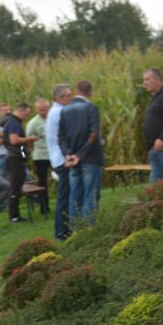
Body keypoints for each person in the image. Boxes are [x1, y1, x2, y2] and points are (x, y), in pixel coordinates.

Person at [59, 80, 103, 224]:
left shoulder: (65, 110)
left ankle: (75, 229)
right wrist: (80, 154)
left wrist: (68, 154)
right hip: (90, 158)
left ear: (76, 91)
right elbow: (94, 134)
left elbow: (61, 137)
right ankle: (89, 230)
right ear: (90, 92)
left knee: (74, 196)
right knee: (90, 195)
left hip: (72, 159)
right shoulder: (91, 108)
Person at [45, 83, 73, 240]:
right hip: (62, 159)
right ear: (58, 98)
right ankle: (62, 231)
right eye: (67, 96)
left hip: (59, 158)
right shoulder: (59, 112)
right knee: (65, 197)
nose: (70, 98)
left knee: (66, 196)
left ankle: (64, 229)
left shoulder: (56, 111)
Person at [2, 103, 38, 223]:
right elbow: (14, 140)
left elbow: (19, 145)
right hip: (14, 159)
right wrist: (29, 139)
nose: (27, 117)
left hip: (16, 157)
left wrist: (26, 153)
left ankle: (14, 214)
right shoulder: (13, 123)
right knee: (15, 186)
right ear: (20, 110)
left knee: (17, 185)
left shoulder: (14, 122)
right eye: (26, 114)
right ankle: (14, 215)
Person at [26, 97, 51, 215]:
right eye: (40, 109)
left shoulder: (53, 118)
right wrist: (29, 152)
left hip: (54, 154)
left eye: (44, 109)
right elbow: (27, 140)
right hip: (40, 156)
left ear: (48, 108)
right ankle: (44, 207)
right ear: (36, 109)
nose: (42, 112)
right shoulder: (33, 123)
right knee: (42, 182)